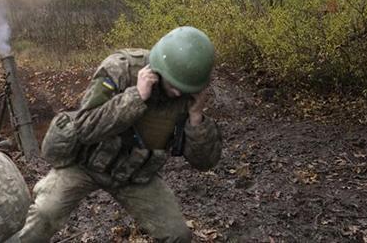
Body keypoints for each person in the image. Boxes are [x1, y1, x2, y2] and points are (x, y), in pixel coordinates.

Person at [19, 26, 223, 243]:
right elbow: (85, 127)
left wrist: (196, 118)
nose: (180, 93)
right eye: (176, 84)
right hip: (86, 163)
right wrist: (136, 97)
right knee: (44, 214)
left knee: (178, 235)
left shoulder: (189, 92)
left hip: (135, 174)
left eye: (186, 88)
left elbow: (205, 163)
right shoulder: (122, 68)